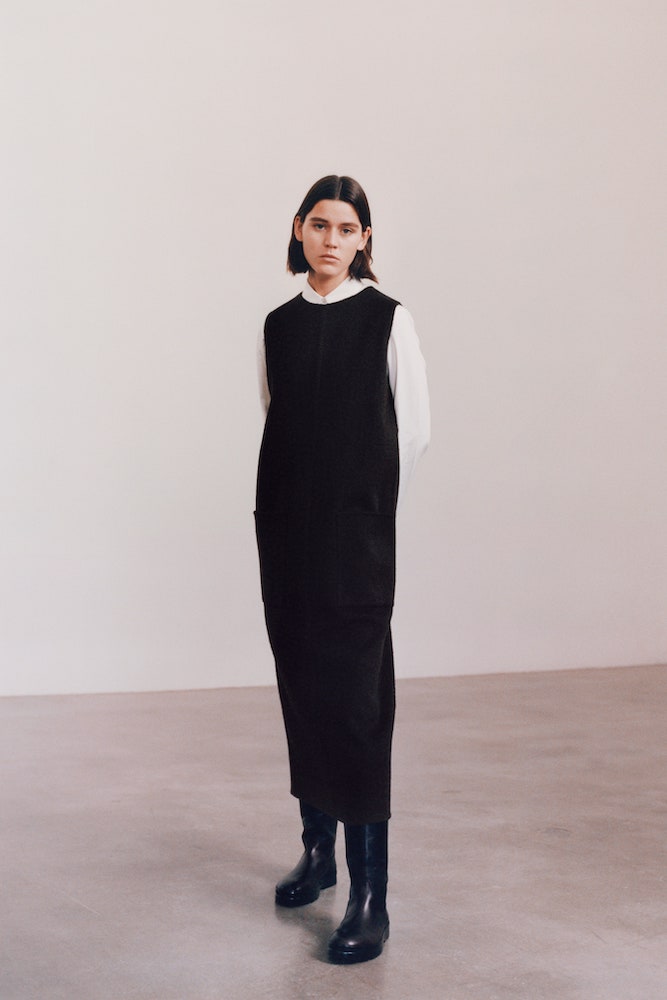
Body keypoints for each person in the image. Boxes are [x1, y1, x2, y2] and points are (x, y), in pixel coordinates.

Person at [255, 175, 430, 964]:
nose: (331, 240)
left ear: (364, 240)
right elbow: (276, 413)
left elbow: (412, 433)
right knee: (301, 687)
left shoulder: (388, 320)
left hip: (353, 541)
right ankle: (316, 853)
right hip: (285, 535)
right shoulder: (278, 324)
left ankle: (370, 897)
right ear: (299, 229)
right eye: (320, 225)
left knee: (356, 705)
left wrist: (364, 514)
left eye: (347, 228)